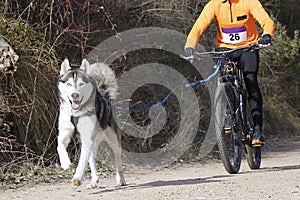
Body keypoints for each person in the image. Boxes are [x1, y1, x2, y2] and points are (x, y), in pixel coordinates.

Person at [184, 0, 275, 145]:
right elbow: (199, 26)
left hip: (248, 48)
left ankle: (258, 129)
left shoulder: (249, 2)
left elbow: (266, 21)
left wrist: (267, 35)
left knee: (250, 80)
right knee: (219, 77)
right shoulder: (215, 4)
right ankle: (226, 112)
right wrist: (190, 46)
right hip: (225, 50)